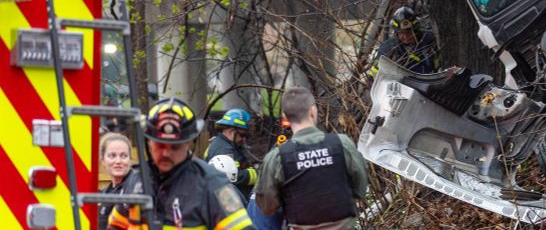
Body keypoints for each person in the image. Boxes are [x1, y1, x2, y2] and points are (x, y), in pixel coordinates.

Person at [106, 97, 253, 230]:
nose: (166, 153)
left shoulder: (211, 185)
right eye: (160, 145)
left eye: (175, 147)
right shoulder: (136, 179)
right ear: (148, 143)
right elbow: (116, 226)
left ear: (189, 144)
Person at [254, 87, 368, 230]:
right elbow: (361, 189)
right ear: (313, 111)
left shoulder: (277, 157)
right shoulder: (342, 144)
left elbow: (266, 207)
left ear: (285, 117)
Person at [369, 5, 440, 77]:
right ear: (396, 33)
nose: (406, 37)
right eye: (402, 33)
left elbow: (439, 65)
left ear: (416, 30)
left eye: (409, 32)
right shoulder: (388, 48)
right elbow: (373, 76)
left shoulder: (428, 40)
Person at [205, 108, 258, 198]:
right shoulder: (223, 150)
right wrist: (257, 174)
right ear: (231, 131)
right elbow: (232, 177)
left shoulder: (225, 145)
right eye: (242, 135)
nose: (244, 139)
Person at [98, 133, 132, 230]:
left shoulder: (138, 189)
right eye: (112, 156)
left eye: (123, 156)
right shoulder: (102, 195)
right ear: (103, 161)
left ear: (130, 159)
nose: (118, 161)